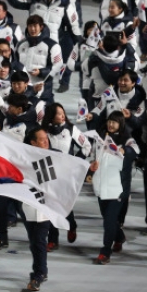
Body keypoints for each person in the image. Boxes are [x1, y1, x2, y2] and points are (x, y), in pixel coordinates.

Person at [1, 0, 82, 93]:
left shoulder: (66, 5)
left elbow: (73, 27)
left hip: (50, 47)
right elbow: (16, 2)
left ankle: (44, 100)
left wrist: (80, 44)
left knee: (45, 81)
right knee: (27, 77)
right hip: (31, 44)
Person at [89, 111, 138, 264]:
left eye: (115, 122)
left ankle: (105, 252)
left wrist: (125, 150)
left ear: (121, 124)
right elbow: (92, 155)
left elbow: (135, 150)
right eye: (110, 121)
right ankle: (119, 236)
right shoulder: (100, 137)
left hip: (118, 188)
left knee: (109, 221)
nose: (111, 124)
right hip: (101, 186)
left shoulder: (126, 139)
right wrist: (90, 169)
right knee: (108, 219)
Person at [41, 103, 92, 250]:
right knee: (50, 204)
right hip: (50, 172)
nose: (62, 115)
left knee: (64, 203)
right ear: (51, 115)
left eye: (63, 113)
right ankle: (53, 239)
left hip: (67, 173)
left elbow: (87, 146)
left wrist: (76, 161)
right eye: (58, 113)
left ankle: (71, 225)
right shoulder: (43, 130)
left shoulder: (71, 129)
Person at [21, 128, 52, 292]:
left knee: (39, 241)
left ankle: (38, 274)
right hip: (28, 208)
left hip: (45, 208)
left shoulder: (55, 156)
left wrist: (90, 169)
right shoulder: (24, 159)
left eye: (46, 138)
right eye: (41, 139)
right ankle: (42, 270)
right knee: (34, 242)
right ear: (33, 143)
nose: (46, 141)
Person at [12, 15, 64, 102]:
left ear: (41, 27)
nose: (32, 29)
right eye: (30, 26)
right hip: (22, 91)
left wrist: (41, 72)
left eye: (35, 26)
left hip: (43, 91)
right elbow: (14, 63)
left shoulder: (52, 45)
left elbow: (58, 65)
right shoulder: (21, 44)